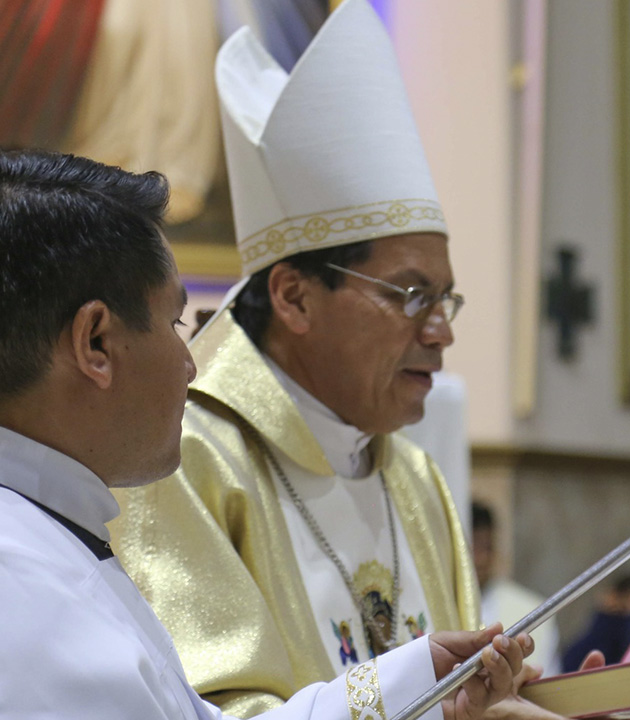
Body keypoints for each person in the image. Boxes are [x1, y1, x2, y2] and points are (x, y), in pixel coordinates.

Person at [0, 148, 527, 719]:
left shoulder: (51, 542)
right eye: (176, 322)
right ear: (96, 343)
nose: (191, 361)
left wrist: (417, 682)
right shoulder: (35, 599)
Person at [109, 2, 482, 714]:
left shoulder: (413, 474)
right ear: (294, 297)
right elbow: (206, 714)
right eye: (409, 295)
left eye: (446, 300)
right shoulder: (184, 457)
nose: (441, 331)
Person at [473, 502, 563, 676]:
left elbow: (549, 679)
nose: (481, 560)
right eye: (473, 549)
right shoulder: (434, 606)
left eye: (487, 548)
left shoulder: (533, 611)